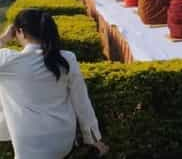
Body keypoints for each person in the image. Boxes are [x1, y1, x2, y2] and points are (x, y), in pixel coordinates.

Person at [0, 9, 109, 158]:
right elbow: (81, 100)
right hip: (63, 138)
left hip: (29, 140)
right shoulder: (67, 58)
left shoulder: (8, 62)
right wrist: (92, 137)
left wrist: (4, 38)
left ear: (21, 32)